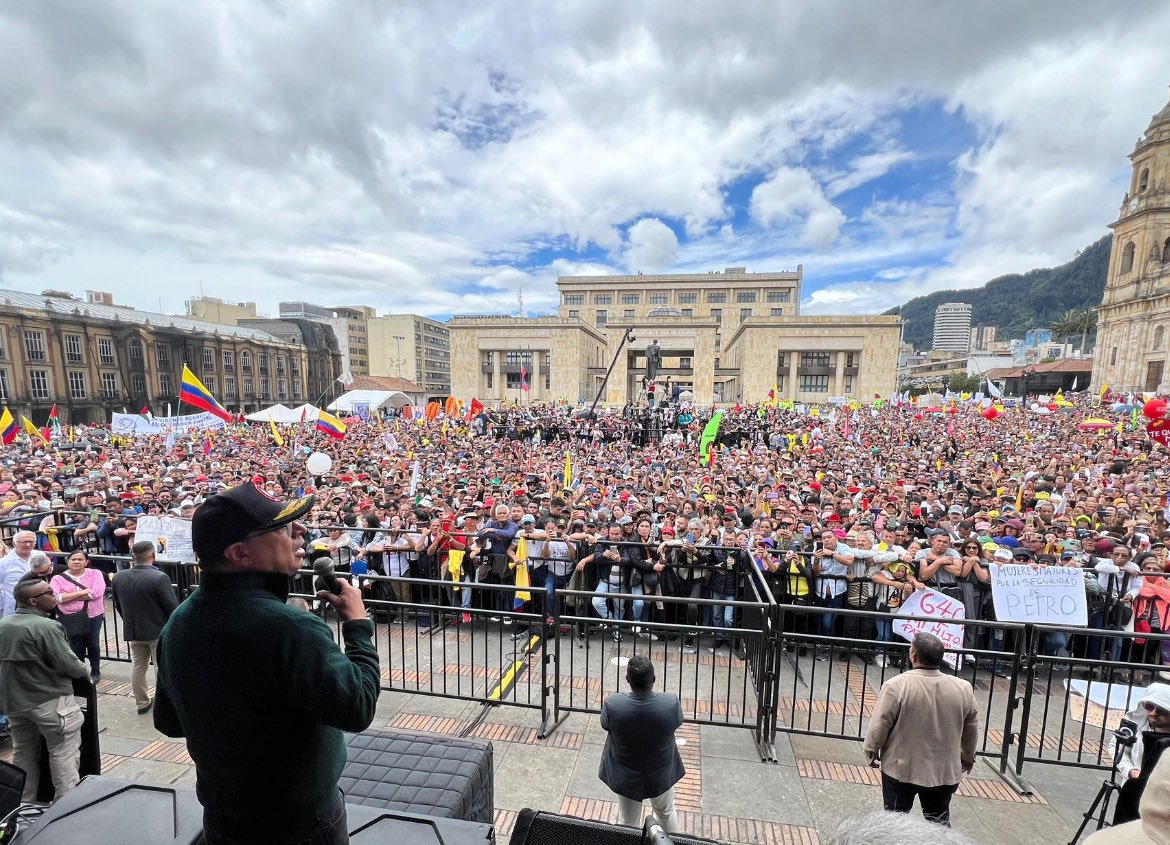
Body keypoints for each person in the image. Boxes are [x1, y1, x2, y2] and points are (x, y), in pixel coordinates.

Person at [154, 481, 381, 845]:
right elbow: (358, 707)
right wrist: (357, 627)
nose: (301, 531)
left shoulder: (179, 622)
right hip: (300, 822)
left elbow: (168, 721)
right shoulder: (290, 628)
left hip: (223, 815)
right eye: (281, 528)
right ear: (240, 554)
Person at [863, 632, 980, 826]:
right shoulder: (963, 688)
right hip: (943, 773)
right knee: (939, 825)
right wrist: (968, 756)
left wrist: (871, 749)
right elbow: (971, 728)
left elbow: (880, 723)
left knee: (893, 825)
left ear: (914, 656)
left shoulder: (896, 686)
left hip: (901, 770)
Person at [0, 577, 90, 802]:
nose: (54, 594)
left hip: (16, 703)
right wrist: (85, 671)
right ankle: (64, 810)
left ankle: (20, 807)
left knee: (23, 753)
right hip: (50, 702)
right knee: (64, 754)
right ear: (33, 601)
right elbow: (70, 665)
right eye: (48, 592)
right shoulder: (47, 627)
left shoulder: (3, 625)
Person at [598, 654, 685, 832]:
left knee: (628, 821)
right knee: (666, 812)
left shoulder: (613, 704)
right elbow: (678, 722)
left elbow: (605, 725)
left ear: (627, 679)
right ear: (653, 679)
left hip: (626, 774)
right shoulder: (670, 703)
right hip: (660, 770)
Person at [110, 540, 179, 715]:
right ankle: (165, 703)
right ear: (153, 555)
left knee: (138, 666)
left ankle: (141, 702)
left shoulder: (119, 577)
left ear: (133, 556)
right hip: (157, 630)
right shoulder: (159, 577)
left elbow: (118, 605)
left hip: (134, 631)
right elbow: (172, 607)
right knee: (160, 667)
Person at [1111, 683, 1170, 825]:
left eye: (1161, 710)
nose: (1153, 713)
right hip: (1133, 793)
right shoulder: (1135, 723)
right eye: (1149, 706)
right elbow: (1116, 748)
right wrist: (1131, 771)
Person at [50, 550, 106, 683]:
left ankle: (95, 671)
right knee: (75, 645)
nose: (76, 562)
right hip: (70, 617)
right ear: (68, 562)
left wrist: (68, 596)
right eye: (73, 559)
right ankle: (80, 673)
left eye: (80, 559)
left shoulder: (95, 574)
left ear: (86, 562)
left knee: (93, 643)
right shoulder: (57, 578)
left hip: (93, 615)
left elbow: (95, 594)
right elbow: (57, 598)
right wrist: (85, 592)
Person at [0, 530, 38, 619]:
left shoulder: (39, 556)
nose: (28, 545)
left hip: (38, 605)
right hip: (14, 608)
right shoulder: (3, 563)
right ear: (14, 544)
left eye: (31, 542)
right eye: (24, 542)